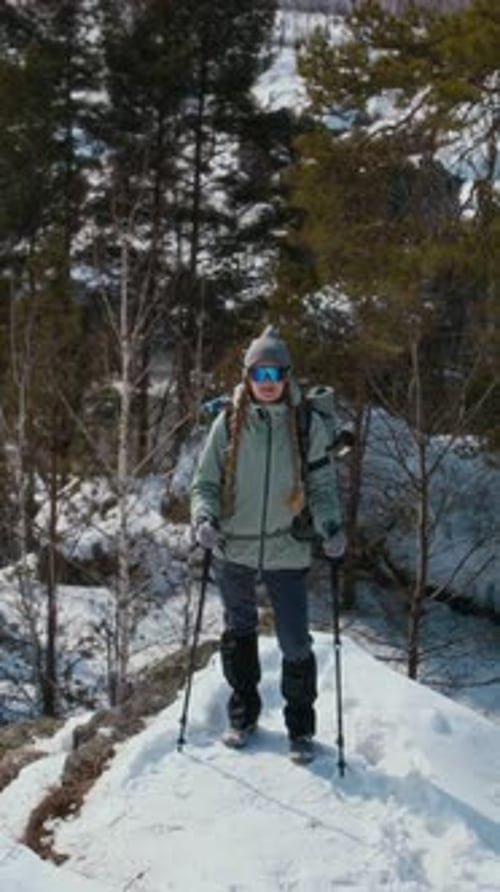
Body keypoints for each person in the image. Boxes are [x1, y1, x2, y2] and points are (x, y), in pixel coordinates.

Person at [190, 326, 345, 763]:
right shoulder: (229, 421)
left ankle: (300, 731)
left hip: (286, 545)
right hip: (232, 546)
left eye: (275, 371)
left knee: (295, 642)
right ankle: (243, 718)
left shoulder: (304, 422)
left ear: (288, 374)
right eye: (259, 373)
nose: (268, 380)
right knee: (239, 634)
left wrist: (332, 527)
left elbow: (322, 484)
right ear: (247, 376)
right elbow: (203, 483)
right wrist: (204, 519)